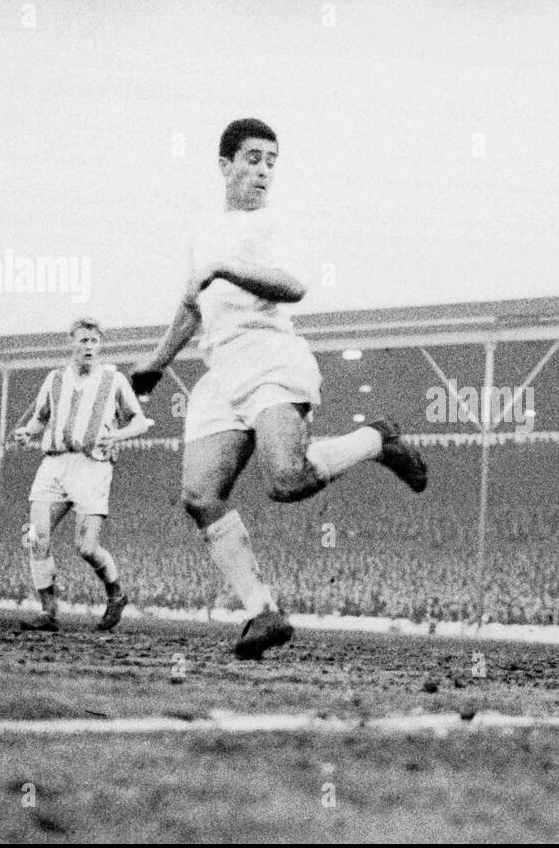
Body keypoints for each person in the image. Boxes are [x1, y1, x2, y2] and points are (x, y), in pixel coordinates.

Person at [130, 118, 427, 659]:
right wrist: (154, 364)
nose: (264, 170)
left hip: (270, 358)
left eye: (271, 160)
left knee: (285, 481)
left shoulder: (274, 225)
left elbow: (293, 285)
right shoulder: (203, 232)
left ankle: (376, 441)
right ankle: (262, 612)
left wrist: (226, 266)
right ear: (225, 165)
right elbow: (191, 305)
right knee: (199, 496)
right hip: (221, 372)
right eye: (252, 158)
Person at [13, 317, 152, 632]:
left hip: (92, 467)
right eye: (83, 341)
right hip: (54, 464)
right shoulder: (54, 379)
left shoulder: (113, 380)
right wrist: (27, 434)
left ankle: (116, 594)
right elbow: (39, 420)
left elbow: (140, 422)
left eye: (94, 341)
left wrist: (116, 436)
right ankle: (48, 612)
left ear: (100, 344)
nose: (89, 347)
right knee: (36, 536)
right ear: (71, 343)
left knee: (86, 547)